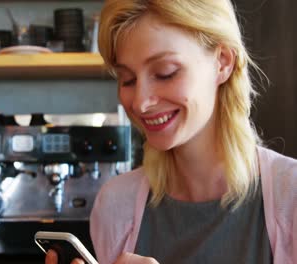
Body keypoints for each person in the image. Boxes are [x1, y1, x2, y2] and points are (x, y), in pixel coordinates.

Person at [46, 0, 297, 263]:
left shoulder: (289, 196)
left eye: (166, 73)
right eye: (127, 79)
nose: (140, 102)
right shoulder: (114, 206)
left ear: (222, 62)